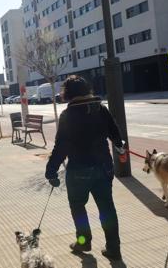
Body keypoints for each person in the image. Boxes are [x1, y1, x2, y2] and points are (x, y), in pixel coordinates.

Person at [45, 75, 126, 261]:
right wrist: (120, 148)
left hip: (78, 170)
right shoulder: (100, 109)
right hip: (104, 168)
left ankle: (83, 241)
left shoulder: (68, 115)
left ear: (67, 94)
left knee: (78, 207)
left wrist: (51, 171)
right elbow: (115, 133)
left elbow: (61, 147)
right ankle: (113, 248)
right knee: (107, 208)